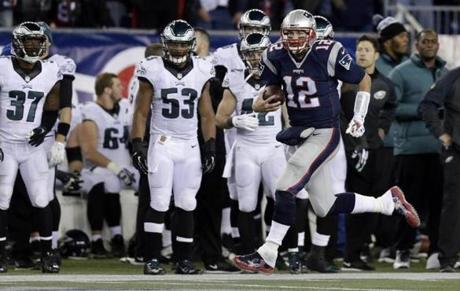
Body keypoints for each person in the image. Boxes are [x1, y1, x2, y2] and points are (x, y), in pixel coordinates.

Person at [233, 9, 420, 274]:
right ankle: (387, 203)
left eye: (300, 32)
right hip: (298, 131)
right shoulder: (274, 55)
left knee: (285, 187)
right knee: (325, 206)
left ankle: (268, 252)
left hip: (324, 131)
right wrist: (260, 104)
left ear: (311, 34)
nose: (294, 38)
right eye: (289, 33)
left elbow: (364, 79)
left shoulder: (327, 52)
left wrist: (359, 115)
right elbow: (273, 92)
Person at [130, 20, 216, 275]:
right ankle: (152, 258)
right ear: (165, 45)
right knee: (158, 201)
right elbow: (140, 113)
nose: (178, 50)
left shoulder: (202, 70)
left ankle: (183, 260)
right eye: (174, 45)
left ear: (191, 46)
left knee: (187, 202)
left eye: (182, 45)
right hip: (162, 142)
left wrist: (210, 145)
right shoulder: (152, 69)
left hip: (189, 144)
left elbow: (207, 114)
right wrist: (138, 143)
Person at [0, 21, 63, 273]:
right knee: (3, 198)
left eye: (38, 41)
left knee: (41, 197)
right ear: (17, 43)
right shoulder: (3, 67)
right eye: (29, 41)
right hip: (5, 142)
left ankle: (48, 253)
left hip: (32, 146)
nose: (35, 46)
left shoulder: (50, 71)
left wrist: (44, 129)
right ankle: (2, 254)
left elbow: (51, 108)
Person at [216, 32, 285, 254]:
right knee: (246, 204)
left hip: (274, 147)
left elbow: (290, 113)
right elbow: (219, 119)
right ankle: (248, 252)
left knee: (281, 200)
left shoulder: (281, 76)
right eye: (251, 53)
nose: (255, 58)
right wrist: (234, 120)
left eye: (260, 53)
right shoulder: (234, 78)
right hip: (246, 147)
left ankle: (281, 251)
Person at [389, 29, 446, 269]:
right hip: (410, 150)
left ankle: (436, 251)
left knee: (438, 205)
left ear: (438, 45)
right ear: (417, 45)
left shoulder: (447, 73)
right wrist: (425, 110)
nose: (429, 45)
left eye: (433, 42)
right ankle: (402, 250)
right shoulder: (400, 73)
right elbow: (391, 107)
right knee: (408, 204)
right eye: (425, 42)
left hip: (439, 150)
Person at [340, 35, 397, 271]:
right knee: (357, 201)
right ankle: (350, 254)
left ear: (376, 55)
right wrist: (353, 145)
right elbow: (342, 117)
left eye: (366, 50)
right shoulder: (345, 83)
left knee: (375, 201)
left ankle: (362, 249)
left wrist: (383, 128)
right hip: (353, 151)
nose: (361, 53)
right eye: (359, 49)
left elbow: (391, 106)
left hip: (377, 151)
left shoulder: (385, 83)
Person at [79, 73, 137, 258]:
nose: (122, 88)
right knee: (105, 181)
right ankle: (111, 237)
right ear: (107, 89)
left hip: (126, 167)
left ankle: (151, 237)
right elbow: (89, 152)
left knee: (153, 182)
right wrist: (115, 168)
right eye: (118, 85)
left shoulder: (126, 108)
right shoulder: (91, 111)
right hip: (101, 168)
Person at [373, 14, 410, 262]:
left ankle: (398, 243)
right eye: (400, 36)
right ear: (387, 41)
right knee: (380, 193)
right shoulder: (379, 68)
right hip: (383, 142)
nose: (406, 39)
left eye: (406, 35)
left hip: (404, 143)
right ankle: (382, 243)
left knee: (403, 196)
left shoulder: (409, 64)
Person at [419, 66, 460, 272]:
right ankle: (448, 259)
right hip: (457, 150)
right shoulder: (452, 77)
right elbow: (427, 105)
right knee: (453, 205)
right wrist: (441, 133)